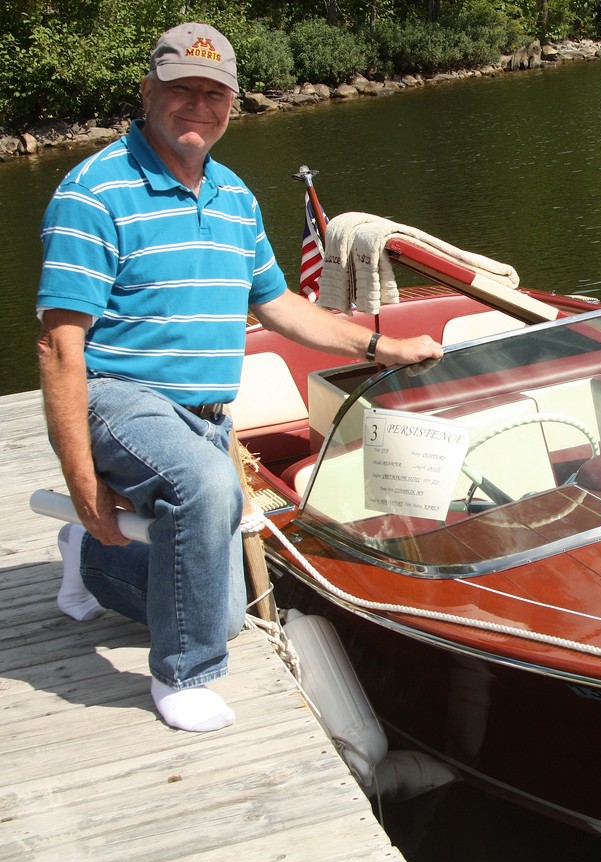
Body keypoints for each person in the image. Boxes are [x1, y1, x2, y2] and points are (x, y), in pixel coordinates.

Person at [35, 22, 442, 733]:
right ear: (147, 90)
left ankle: (96, 561)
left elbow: (281, 306)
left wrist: (382, 345)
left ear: (231, 103)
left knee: (222, 615)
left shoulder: (234, 196)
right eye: (181, 88)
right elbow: (60, 350)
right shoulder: (92, 194)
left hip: (206, 413)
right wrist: (80, 480)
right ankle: (182, 676)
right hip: (121, 398)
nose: (199, 105)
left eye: (214, 92)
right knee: (205, 484)